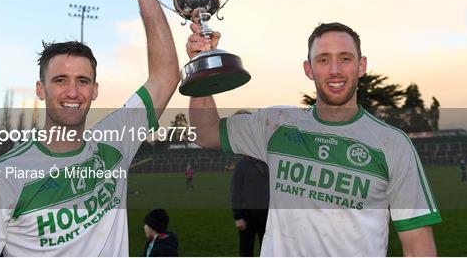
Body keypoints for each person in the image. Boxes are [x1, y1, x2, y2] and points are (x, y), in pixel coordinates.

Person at [0, 0, 180, 256]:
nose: (73, 92)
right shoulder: (0, 179)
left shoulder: (113, 144)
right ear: (41, 89)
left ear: (95, 90)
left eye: (82, 81)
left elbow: (165, 76)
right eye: (60, 80)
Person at [187, 22, 442, 256]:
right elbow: (206, 132)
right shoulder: (275, 124)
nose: (335, 70)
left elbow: (418, 246)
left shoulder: (392, 144)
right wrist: (201, 65)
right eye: (323, 60)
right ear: (308, 69)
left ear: (361, 66)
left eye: (345, 58)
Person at [230, 155, 269, 257]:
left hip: (266, 216)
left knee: (267, 250)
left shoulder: (267, 164)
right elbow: (235, 192)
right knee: (246, 250)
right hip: (247, 216)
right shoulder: (241, 165)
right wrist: (238, 216)